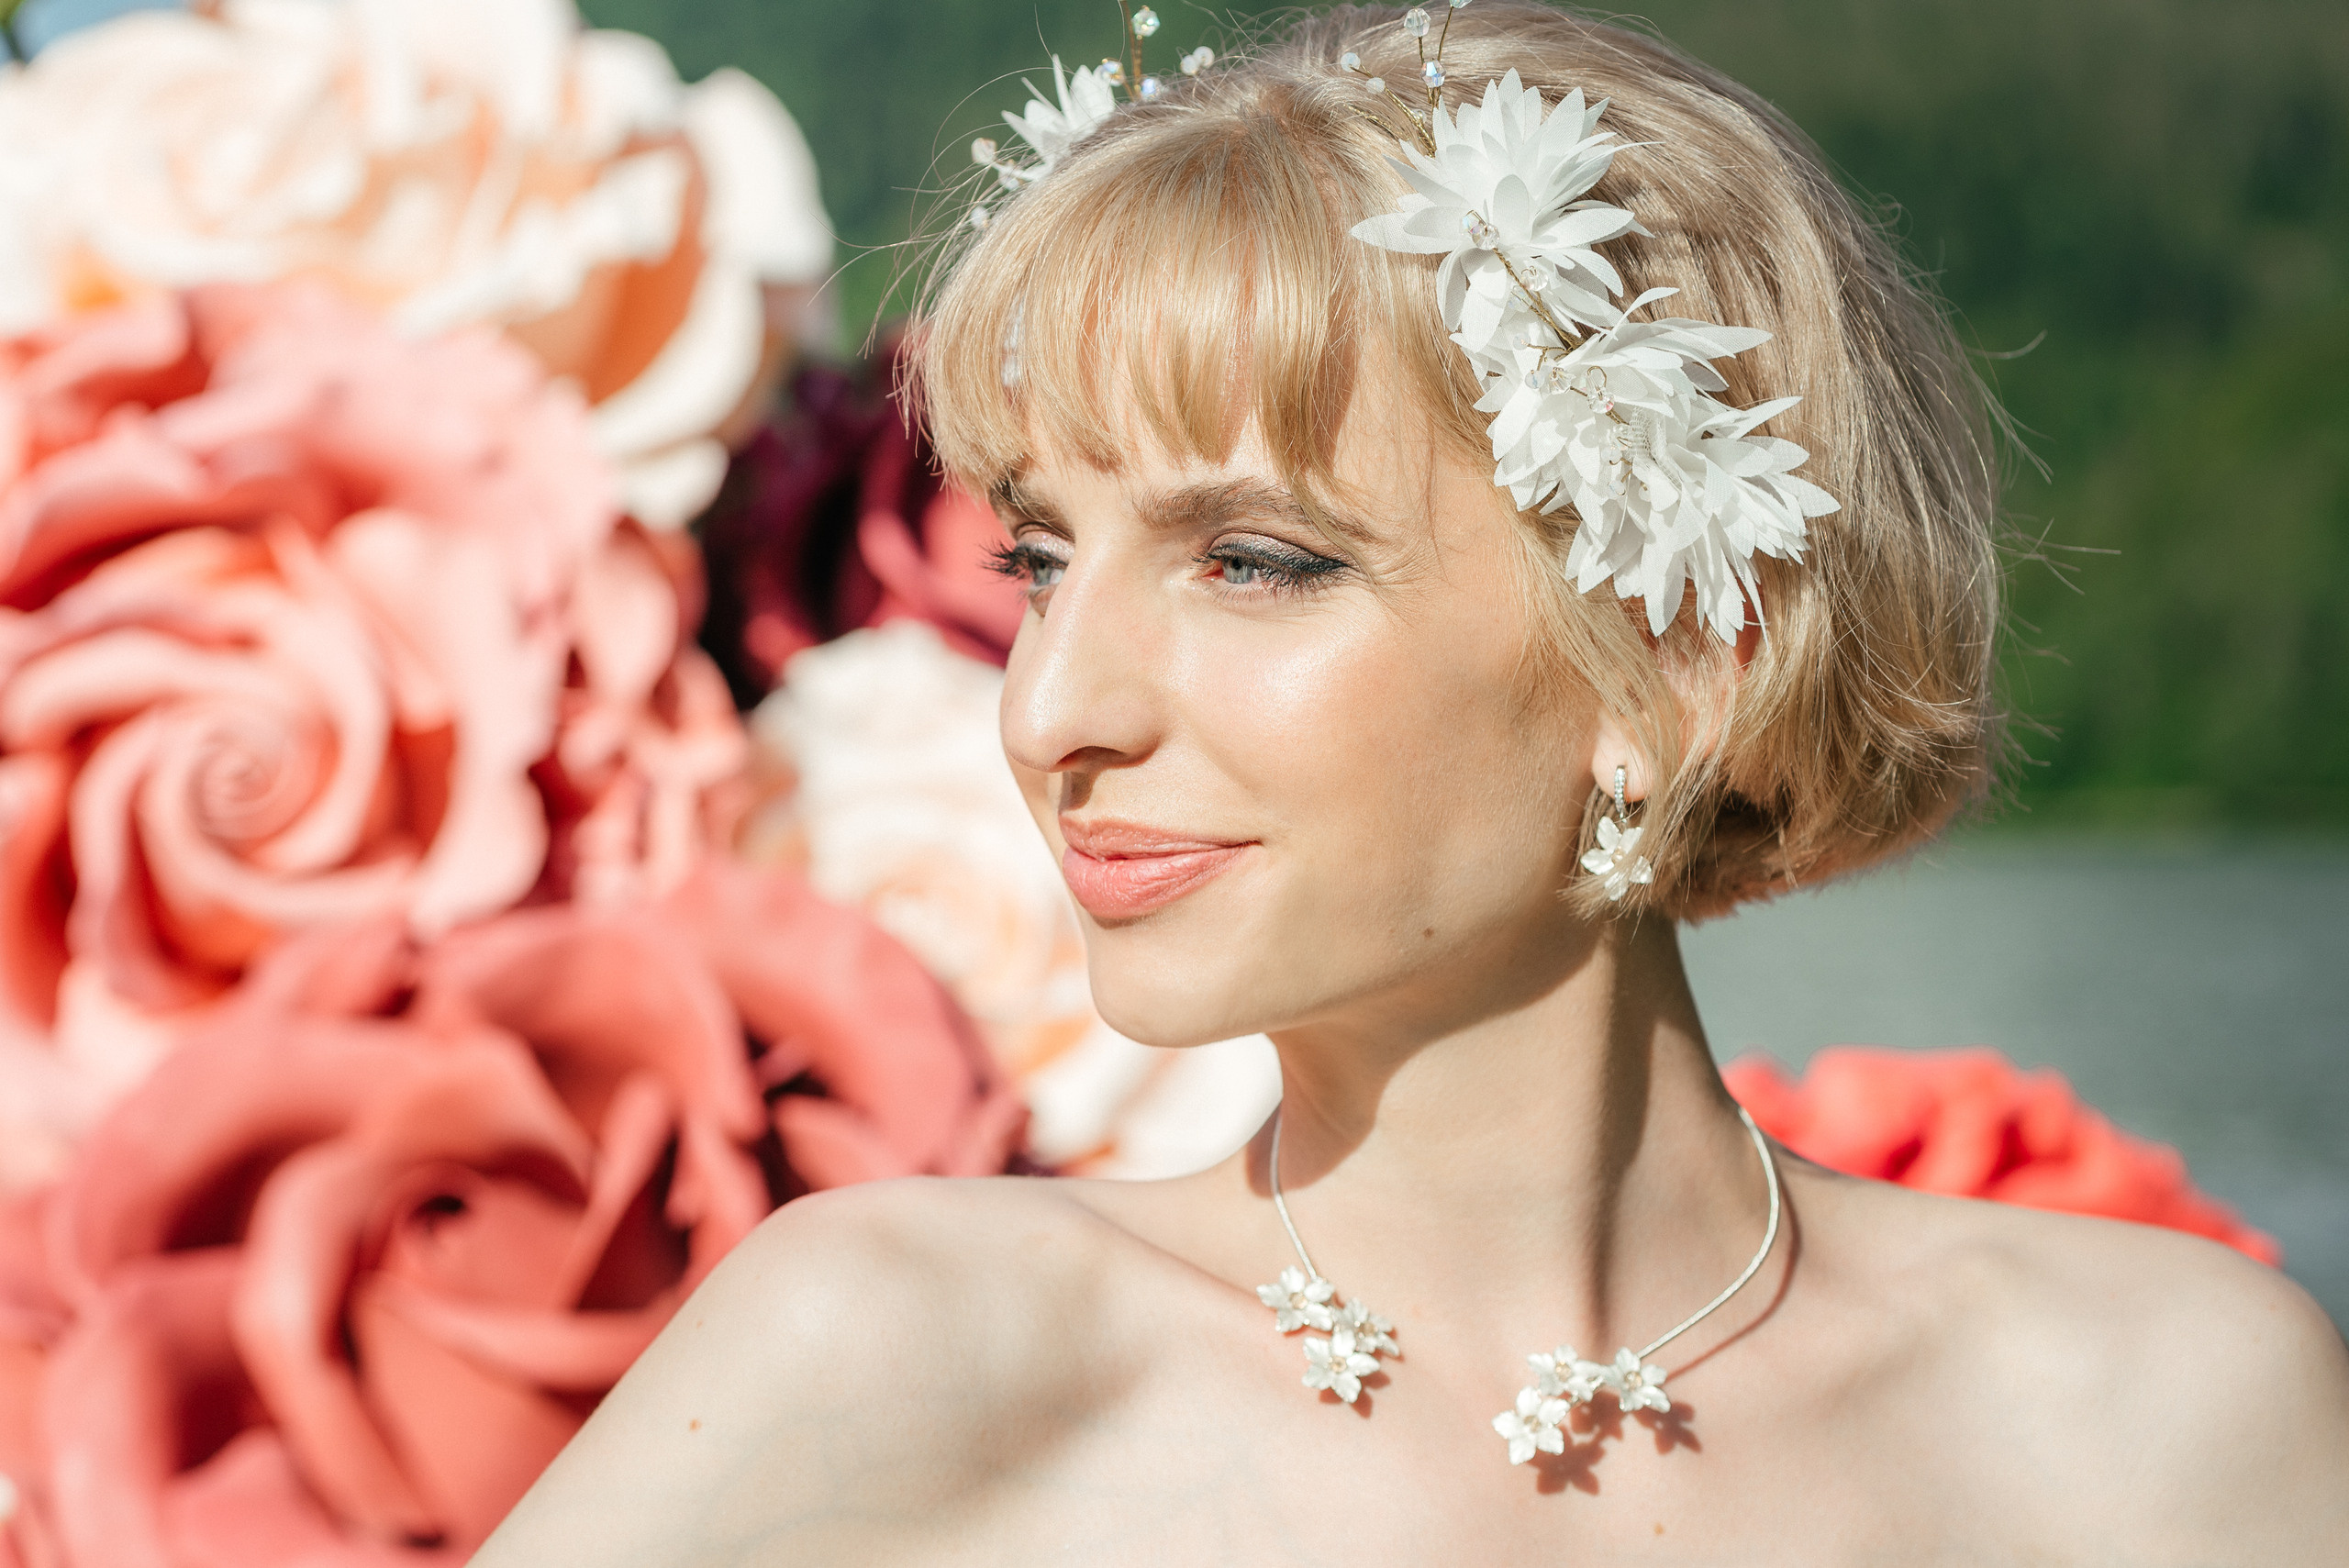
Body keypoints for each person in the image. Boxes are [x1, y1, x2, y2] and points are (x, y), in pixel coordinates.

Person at [475, 4, 2349, 1561]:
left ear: (1676, 661)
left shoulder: (2165, 1424)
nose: (1050, 709)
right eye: (1039, 560)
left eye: (1252, 561)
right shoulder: (896, 1357)